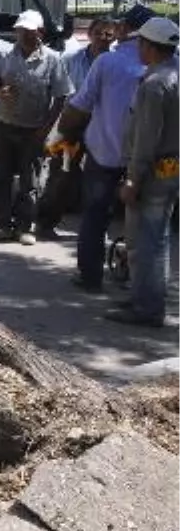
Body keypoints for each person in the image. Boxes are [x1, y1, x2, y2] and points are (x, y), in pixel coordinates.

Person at [57, 6, 155, 293]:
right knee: (144, 220)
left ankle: (90, 276)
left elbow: (80, 105)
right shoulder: (170, 64)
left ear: (125, 28)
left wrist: (61, 134)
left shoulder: (107, 63)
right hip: (149, 159)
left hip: (105, 155)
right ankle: (137, 280)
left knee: (95, 215)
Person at [106, 16, 180, 327]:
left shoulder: (154, 84)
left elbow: (146, 138)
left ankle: (147, 308)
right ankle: (147, 298)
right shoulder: (173, 74)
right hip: (171, 166)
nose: (137, 47)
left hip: (152, 169)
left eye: (140, 42)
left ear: (150, 46)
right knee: (158, 239)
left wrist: (133, 179)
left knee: (143, 241)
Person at [0, 10, 73, 247]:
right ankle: (1, 225)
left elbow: (60, 97)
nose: (24, 36)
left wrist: (45, 129)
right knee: (0, 178)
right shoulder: (4, 56)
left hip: (33, 129)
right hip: (5, 125)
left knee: (29, 181)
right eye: (20, 31)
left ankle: (24, 226)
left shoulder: (52, 59)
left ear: (40, 32)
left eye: (29, 31)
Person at [35, 17, 117, 238]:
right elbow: (58, 95)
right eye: (99, 32)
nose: (103, 38)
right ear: (89, 34)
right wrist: (49, 127)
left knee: (102, 176)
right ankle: (45, 223)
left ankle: (96, 230)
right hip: (72, 123)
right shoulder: (70, 59)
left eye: (108, 34)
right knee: (61, 171)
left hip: (103, 126)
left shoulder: (116, 63)